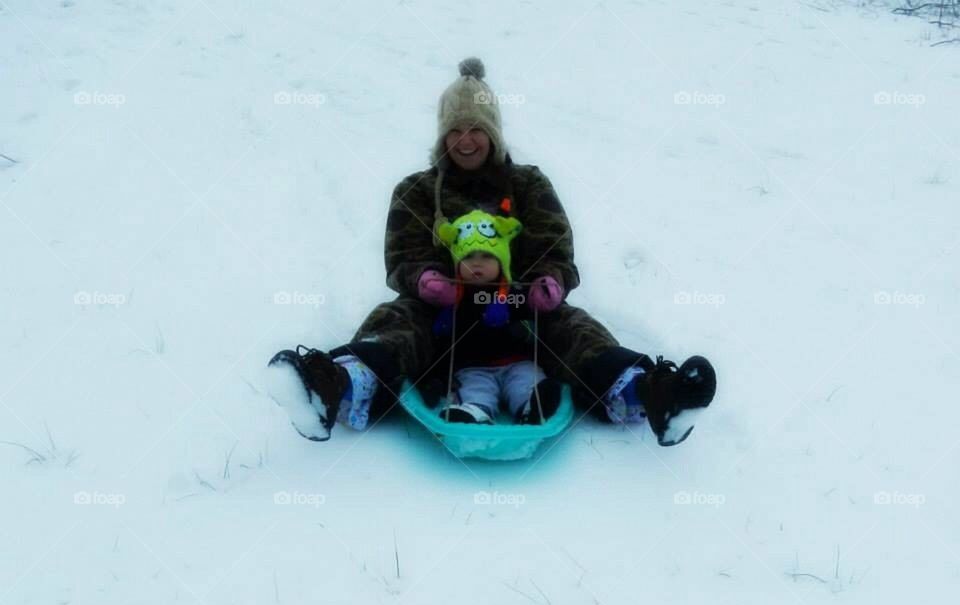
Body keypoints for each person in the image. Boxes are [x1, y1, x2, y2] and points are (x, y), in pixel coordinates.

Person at [267, 57, 716, 446]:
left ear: (494, 133)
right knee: (396, 322)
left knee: (575, 328)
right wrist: (424, 279)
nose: (466, 140)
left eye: (476, 129)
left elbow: (555, 246)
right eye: (455, 130)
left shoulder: (528, 184)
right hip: (442, 314)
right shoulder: (417, 190)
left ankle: (651, 393)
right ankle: (335, 386)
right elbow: (400, 257)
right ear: (442, 135)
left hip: (519, 311)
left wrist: (549, 283)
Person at [431, 209, 562, 425]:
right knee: (475, 389)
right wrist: (435, 377)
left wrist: (522, 329)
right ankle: (474, 412)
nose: (476, 264)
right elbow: (444, 346)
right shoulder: (453, 300)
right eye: (469, 257)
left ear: (502, 261)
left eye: (486, 256)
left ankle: (533, 407)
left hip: (517, 363)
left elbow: (536, 328)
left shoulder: (515, 294)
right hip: (474, 367)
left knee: (527, 382)